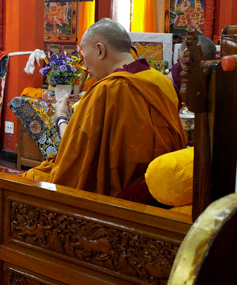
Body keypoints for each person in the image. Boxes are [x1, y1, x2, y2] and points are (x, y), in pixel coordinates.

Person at [24, 19, 187, 197]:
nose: (85, 65)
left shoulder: (108, 90)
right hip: (159, 181)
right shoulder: (162, 81)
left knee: (28, 179)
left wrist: (61, 116)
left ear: (100, 50)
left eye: (85, 55)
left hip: (112, 189)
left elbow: (73, 150)